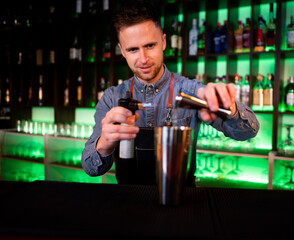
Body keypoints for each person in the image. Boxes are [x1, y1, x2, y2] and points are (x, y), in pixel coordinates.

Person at [81, 0, 259, 186]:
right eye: (133, 49)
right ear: (122, 51)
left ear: (164, 42)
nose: (143, 59)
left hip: (182, 202)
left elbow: (248, 132)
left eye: (150, 46)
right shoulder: (111, 98)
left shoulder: (191, 91)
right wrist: (104, 144)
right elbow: (92, 169)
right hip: (129, 204)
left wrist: (229, 109)